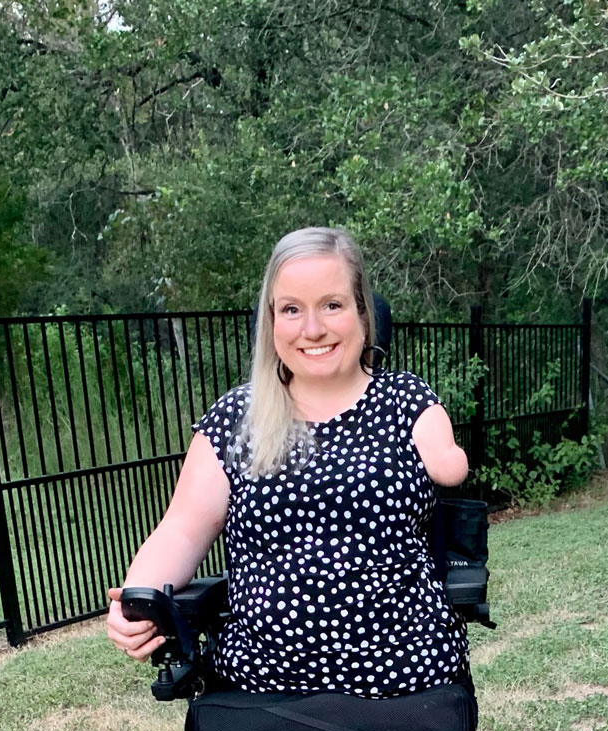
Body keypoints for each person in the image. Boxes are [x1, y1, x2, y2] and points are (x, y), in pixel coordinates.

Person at [107, 226, 470, 699]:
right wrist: (138, 600)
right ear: (271, 320)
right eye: (292, 309)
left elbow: (448, 462)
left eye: (332, 305)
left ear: (362, 311)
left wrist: (447, 459)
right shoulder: (237, 418)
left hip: (405, 676)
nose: (312, 329)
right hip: (264, 684)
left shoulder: (404, 399)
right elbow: (182, 530)